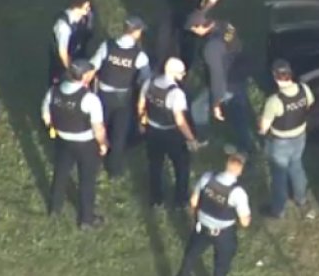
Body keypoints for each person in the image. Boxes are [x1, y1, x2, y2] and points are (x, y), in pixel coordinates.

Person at [169, 153, 251, 276]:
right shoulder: (237, 193)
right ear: (240, 170)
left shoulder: (208, 178)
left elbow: (193, 201)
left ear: (226, 164)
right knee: (220, 268)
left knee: (190, 257)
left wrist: (197, 217)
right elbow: (245, 222)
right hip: (223, 234)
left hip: (202, 227)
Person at [41, 59, 107, 228]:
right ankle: (86, 219)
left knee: (61, 173)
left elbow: (46, 116)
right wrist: (103, 143)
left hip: (63, 141)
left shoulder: (53, 91)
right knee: (86, 180)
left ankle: (54, 208)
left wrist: (54, 128)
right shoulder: (90, 99)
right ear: (84, 76)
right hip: (85, 143)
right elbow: (97, 127)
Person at [185, 10, 256, 157]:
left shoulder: (211, 48)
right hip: (239, 73)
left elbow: (217, 76)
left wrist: (217, 103)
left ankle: (204, 138)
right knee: (239, 114)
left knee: (198, 107)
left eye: (193, 28)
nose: (192, 31)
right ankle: (248, 146)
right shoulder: (226, 25)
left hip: (226, 82)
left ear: (200, 27)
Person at [89, 16, 151, 178]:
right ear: (136, 33)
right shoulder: (139, 56)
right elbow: (146, 79)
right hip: (123, 98)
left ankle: (93, 163)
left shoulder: (106, 46)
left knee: (99, 127)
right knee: (119, 134)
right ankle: (114, 170)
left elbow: (93, 66)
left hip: (102, 95)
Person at [139, 58, 203, 209]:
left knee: (155, 165)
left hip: (152, 131)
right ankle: (180, 198)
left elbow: (141, 104)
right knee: (182, 166)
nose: (184, 74)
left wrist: (141, 123)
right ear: (173, 72)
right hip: (171, 133)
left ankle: (156, 198)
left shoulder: (150, 82)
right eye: (181, 72)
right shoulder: (176, 93)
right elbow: (180, 120)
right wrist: (191, 138)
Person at [257, 59, 315, 218]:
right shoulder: (304, 89)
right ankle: (301, 200)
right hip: (300, 136)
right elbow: (309, 105)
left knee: (279, 176)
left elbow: (263, 128)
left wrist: (260, 126)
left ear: (275, 76)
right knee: (296, 166)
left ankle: (278, 209)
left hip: (281, 142)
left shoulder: (274, 101)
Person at [48, 0, 95, 86]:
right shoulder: (63, 26)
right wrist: (71, 71)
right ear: (77, 8)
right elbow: (62, 52)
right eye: (86, 7)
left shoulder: (84, 17)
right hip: (62, 62)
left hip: (78, 52)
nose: (89, 9)